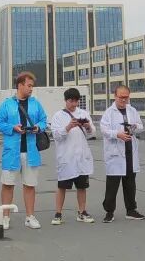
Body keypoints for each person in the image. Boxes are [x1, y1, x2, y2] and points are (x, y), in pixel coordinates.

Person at [0, 71, 47, 230]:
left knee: (30, 185)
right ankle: (5, 216)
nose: (31, 89)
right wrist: (13, 127)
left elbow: (44, 120)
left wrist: (38, 127)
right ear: (20, 85)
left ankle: (30, 217)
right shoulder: (7, 104)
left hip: (31, 151)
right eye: (29, 85)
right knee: (8, 184)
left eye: (32, 86)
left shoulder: (36, 103)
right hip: (12, 151)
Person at [99, 86, 145, 223]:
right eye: (121, 97)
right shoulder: (109, 112)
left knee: (130, 183)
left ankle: (131, 210)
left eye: (126, 97)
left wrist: (134, 127)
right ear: (115, 96)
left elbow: (140, 126)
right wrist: (117, 134)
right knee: (112, 185)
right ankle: (109, 212)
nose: (124, 100)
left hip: (130, 151)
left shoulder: (132, 110)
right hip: (115, 153)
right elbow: (104, 130)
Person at [49, 88, 95, 225]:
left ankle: (82, 212)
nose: (74, 104)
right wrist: (68, 127)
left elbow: (92, 133)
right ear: (66, 100)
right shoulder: (58, 116)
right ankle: (58, 213)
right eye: (71, 101)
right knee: (62, 186)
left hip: (81, 156)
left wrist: (87, 126)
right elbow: (56, 135)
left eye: (76, 101)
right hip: (66, 157)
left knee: (82, 186)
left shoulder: (83, 113)